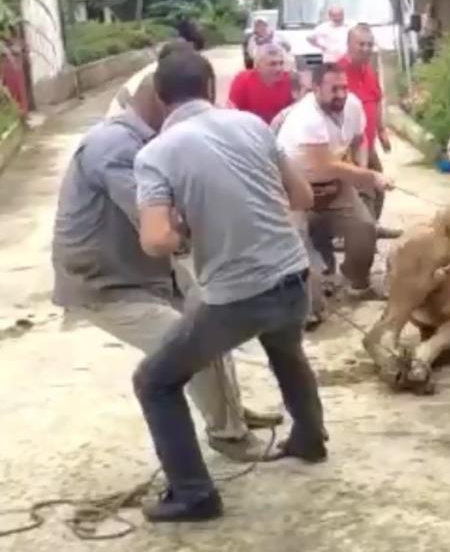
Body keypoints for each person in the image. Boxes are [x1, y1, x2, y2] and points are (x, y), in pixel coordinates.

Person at [131, 49, 327, 522]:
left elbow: (156, 240)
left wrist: (184, 229)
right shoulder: (252, 125)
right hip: (294, 274)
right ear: (211, 90)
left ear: (160, 98)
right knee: (286, 349)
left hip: (237, 295)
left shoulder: (155, 153)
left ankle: (194, 494)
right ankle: (309, 439)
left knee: (154, 381)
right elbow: (301, 196)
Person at [52, 60, 280, 465]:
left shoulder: (154, 140)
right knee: (193, 342)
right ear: (159, 99)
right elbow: (157, 224)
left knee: (214, 320)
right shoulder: (116, 147)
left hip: (148, 274)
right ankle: (228, 435)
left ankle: (229, 414)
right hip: (106, 284)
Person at [276, 62, 392, 300]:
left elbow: (360, 140)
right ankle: (317, 288)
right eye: (334, 89)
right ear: (316, 88)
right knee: (303, 253)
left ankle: (357, 281)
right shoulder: (307, 117)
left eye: (344, 88)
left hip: (336, 183)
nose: (341, 95)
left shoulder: (353, 105)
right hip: (295, 189)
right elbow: (324, 165)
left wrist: (360, 169)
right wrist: (371, 177)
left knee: (364, 227)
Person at [337, 23, 399, 236]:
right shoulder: (337, 73)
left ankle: (369, 229)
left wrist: (382, 131)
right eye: (360, 44)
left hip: (368, 143)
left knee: (378, 187)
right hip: (346, 147)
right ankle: (353, 235)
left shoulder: (369, 71)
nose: (365, 49)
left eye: (369, 44)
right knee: (356, 191)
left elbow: (377, 100)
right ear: (349, 44)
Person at [227, 43, 293, 125]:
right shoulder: (243, 80)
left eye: (281, 63)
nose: (279, 68)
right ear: (258, 66)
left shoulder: (290, 80)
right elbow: (233, 114)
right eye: (272, 64)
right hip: (250, 129)